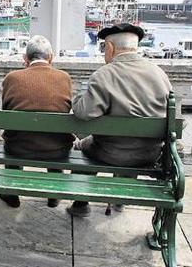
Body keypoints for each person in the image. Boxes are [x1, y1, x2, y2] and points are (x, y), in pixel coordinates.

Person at [67, 23, 173, 217]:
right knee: (131, 146)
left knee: (85, 147)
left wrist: (77, 96)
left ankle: (81, 203)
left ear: (110, 47)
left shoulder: (105, 74)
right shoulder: (160, 75)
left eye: (103, 48)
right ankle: (119, 200)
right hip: (149, 154)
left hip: (109, 153)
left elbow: (82, 113)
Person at [0, 35, 74, 209]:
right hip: (56, 149)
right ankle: (53, 192)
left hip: (18, 148)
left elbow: (6, 112)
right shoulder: (64, 78)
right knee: (55, 136)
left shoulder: (12, 78)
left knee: (12, 136)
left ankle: (11, 194)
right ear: (51, 58)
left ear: (25, 58)